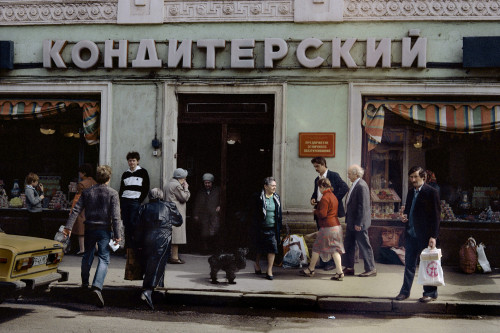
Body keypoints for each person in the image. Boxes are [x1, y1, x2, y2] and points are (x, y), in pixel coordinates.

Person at [63, 165, 123, 308]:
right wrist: (118, 235)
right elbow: (116, 216)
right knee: (104, 258)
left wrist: (68, 227)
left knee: (87, 255)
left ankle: (85, 283)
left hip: (89, 228)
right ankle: (96, 287)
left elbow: (76, 209)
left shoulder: (88, 192)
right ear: (109, 178)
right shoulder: (113, 193)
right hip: (104, 230)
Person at [396, 166, 441, 303]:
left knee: (427, 263)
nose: (413, 180)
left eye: (416, 176)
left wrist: (434, 236)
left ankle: (430, 293)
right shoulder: (411, 192)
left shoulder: (431, 192)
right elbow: (409, 210)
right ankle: (405, 292)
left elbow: (436, 216)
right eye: (411, 177)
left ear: (424, 177)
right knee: (409, 264)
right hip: (411, 234)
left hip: (425, 236)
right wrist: (404, 217)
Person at [135, 188, 183, 310]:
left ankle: (155, 290)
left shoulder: (144, 207)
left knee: (152, 262)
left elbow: (138, 227)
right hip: (163, 237)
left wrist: (137, 243)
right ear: (161, 196)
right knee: (158, 262)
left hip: (148, 237)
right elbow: (179, 221)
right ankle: (148, 290)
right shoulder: (169, 206)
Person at [300, 178, 345, 280]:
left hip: (328, 226)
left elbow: (323, 214)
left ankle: (311, 270)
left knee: (316, 247)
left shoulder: (325, 198)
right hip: (336, 226)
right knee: (335, 250)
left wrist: (315, 211)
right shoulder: (333, 196)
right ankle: (340, 272)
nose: (319, 190)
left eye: (319, 187)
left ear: (322, 187)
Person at [310, 156, 349, 270]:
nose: (316, 169)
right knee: (322, 238)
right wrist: (313, 198)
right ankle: (323, 262)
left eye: (317, 166)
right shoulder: (317, 179)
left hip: (329, 214)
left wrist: (334, 200)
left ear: (323, 164)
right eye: (314, 166)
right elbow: (315, 193)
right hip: (320, 212)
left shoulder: (333, 175)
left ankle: (331, 263)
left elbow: (345, 187)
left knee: (330, 239)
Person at [343, 164, 377, 277]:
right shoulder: (355, 184)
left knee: (364, 245)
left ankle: (371, 268)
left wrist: (359, 223)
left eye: (349, 174)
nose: (348, 176)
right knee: (348, 244)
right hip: (351, 221)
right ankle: (349, 267)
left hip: (358, 222)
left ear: (356, 174)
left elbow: (363, 206)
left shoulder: (361, 185)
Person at [250, 177, 282, 280]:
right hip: (260, 227)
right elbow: (252, 213)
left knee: (272, 248)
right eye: (272, 186)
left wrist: (279, 227)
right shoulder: (258, 197)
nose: (274, 187)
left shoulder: (276, 197)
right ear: (265, 186)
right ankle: (257, 264)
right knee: (259, 248)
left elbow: (279, 214)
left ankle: (269, 270)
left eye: (275, 186)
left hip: (272, 227)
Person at [119, 151, 150, 249]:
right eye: (130, 161)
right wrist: (120, 203)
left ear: (138, 161)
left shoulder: (143, 172)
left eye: (133, 161)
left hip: (135, 202)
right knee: (126, 224)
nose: (131, 163)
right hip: (125, 202)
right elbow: (122, 189)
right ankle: (127, 248)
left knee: (134, 224)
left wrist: (139, 200)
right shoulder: (125, 173)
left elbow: (146, 188)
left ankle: (134, 248)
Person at [70, 163, 97, 255]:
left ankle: (82, 249)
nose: (79, 174)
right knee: (93, 229)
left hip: (83, 209)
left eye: (80, 173)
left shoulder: (81, 184)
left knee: (81, 230)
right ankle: (96, 248)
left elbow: (77, 198)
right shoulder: (95, 182)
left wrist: (72, 210)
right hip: (93, 208)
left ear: (84, 173)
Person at [165, 168, 190, 264]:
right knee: (176, 236)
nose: (185, 181)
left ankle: (170, 256)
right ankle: (174, 257)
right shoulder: (176, 186)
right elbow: (184, 197)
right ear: (181, 178)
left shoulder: (168, 184)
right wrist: (186, 188)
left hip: (169, 211)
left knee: (171, 235)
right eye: (184, 178)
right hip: (176, 213)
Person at [193, 173, 221, 253]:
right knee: (204, 233)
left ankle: (215, 250)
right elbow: (197, 203)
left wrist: (220, 206)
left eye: (209, 183)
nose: (207, 184)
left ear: (212, 182)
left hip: (214, 215)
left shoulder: (218, 190)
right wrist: (196, 214)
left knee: (214, 232)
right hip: (204, 215)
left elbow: (223, 200)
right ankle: (205, 250)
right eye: (206, 183)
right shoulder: (200, 191)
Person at [24, 172, 45, 237]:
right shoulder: (29, 190)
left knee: (38, 230)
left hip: (37, 212)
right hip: (34, 213)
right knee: (34, 231)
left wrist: (42, 191)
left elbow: (39, 197)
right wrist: (40, 198)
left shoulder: (32, 189)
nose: (37, 183)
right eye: (36, 181)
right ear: (32, 181)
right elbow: (33, 201)